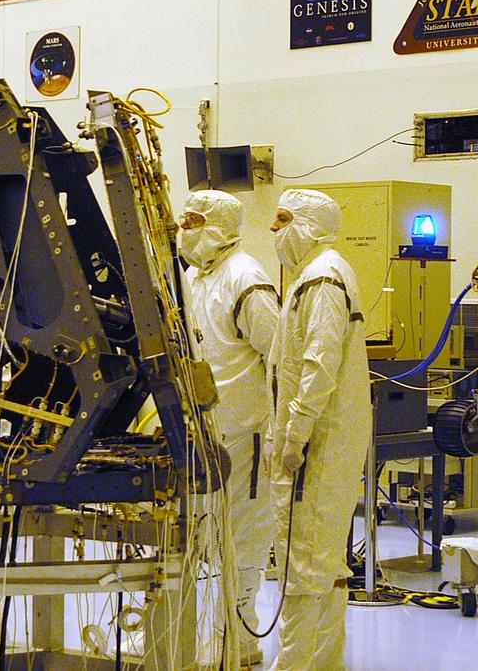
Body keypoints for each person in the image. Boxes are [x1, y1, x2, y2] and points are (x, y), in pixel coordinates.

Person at [265, 188, 370, 671]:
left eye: (282, 219)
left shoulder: (323, 278)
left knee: (303, 563)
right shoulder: (317, 275)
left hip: (316, 446)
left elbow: (318, 364)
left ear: (307, 224)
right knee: (323, 564)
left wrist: (294, 436)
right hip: (323, 440)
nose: (273, 229)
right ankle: (325, 664)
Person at [178, 189, 279, 668]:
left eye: (194, 221)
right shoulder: (194, 277)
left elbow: (278, 355)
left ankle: (240, 637)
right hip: (204, 432)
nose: (185, 230)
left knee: (243, 534)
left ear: (219, 225)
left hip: (245, 429)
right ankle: (205, 632)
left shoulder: (246, 278)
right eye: (183, 221)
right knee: (201, 535)